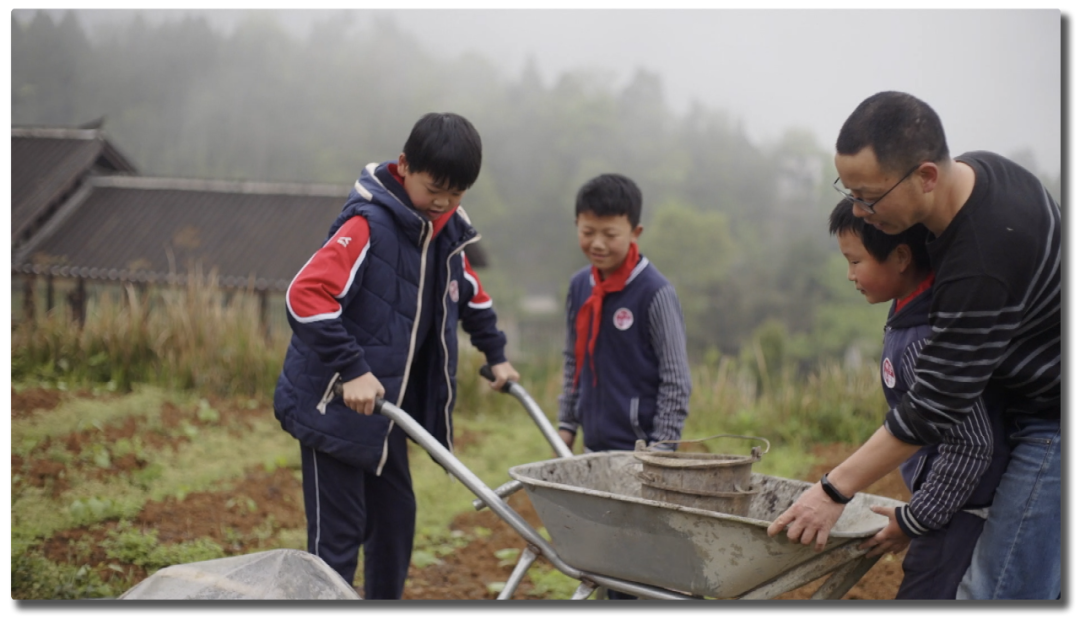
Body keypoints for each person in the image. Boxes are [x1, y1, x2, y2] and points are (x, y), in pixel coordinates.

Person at [767, 91, 1061, 600]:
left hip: (1055, 415)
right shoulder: (979, 177)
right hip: (1021, 399)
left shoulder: (981, 261)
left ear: (926, 176)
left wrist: (833, 489)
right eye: (851, 191)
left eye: (871, 198)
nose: (860, 209)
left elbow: (934, 409)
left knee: (999, 588)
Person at [273, 112, 520, 600]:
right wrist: (353, 369)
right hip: (336, 410)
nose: (444, 202)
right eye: (435, 189)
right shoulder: (368, 225)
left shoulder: (446, 232)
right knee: (336, 543)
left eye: (458, 193)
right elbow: (306, 295)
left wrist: (495, 354)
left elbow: (470, 294)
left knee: (395, 525)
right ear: (405, 166)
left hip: (388, 418)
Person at [828, 200, 1010, 599]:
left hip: (961, 513)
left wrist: (917, 519)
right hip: (948, 509)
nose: (849, 275)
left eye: (855, 261)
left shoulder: (927, 337)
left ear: (901, 256)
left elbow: (971, 443)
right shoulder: (908, 311)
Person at [555, 173, 692, 599]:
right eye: (587, 231)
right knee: (606, 558)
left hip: (640, 454)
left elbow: (676, 377)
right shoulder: (581, 286)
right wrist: (566, 423)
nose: (597, 243)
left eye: (609, 234)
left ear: (635, 232)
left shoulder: (654, 292)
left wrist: (661, 451)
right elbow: (572, 359)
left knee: (639, 564)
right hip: (596, 448)